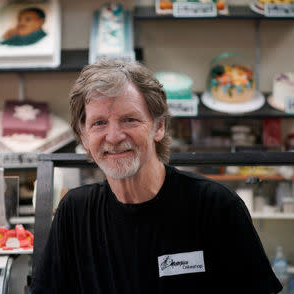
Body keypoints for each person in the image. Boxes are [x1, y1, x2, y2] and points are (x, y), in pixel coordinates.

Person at [31, 59, 283, 294]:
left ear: (159, 126)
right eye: (99, 123)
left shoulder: (216, 207)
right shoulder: (75, 213)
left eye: (129, 119)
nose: (114, 136)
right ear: (84, 137)